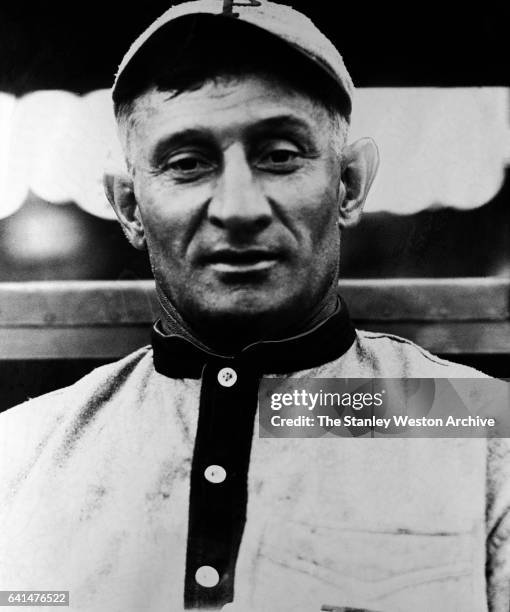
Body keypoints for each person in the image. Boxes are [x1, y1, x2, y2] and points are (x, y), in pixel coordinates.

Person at [0, 1, 509, 611]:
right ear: (130, 207)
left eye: (280, 155)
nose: (239, 208)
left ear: (348, 185)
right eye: (187, 164)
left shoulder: (484, 426)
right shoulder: (22, 451)